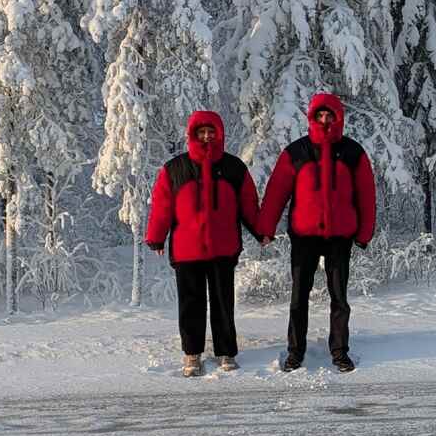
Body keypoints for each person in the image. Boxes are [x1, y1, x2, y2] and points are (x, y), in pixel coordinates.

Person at [257, 92, 377, 373]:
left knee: (339, 298)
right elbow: (276, 193)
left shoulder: (352, 152)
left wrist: (364, 232)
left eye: (329, 115)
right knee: (299, 296)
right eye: (320, 115)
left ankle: (339, 352)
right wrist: (266, 228)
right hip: (304, 235)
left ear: (338, 118)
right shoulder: (296, 152)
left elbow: (366, 195)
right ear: (312, 118)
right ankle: (295, 352)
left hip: (340, 236)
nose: (325, 120)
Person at [145, 111, 261, 377]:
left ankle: (226, 352)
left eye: (211, 132)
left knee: (223, 303)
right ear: (193, 135)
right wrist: (156, 236)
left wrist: (261, 231)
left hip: (224, 247)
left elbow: (248, 205)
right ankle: (192, 353)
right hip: (187, 250)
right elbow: (162, 207)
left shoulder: (234, 167)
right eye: (202, 132)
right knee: (191, 305)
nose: (207, 136)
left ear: (219, 134)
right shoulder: (175, 169)